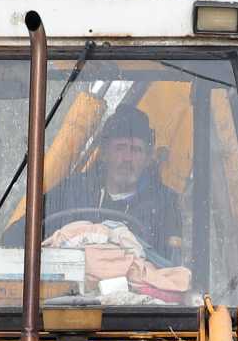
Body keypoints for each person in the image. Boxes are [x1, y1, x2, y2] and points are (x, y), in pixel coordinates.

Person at [44, 104, 182, 258]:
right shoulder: (70, 192)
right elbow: (24, 233)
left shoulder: (166, 205)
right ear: (104, 153)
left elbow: (169, 264)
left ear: (148, 159)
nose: (127, 158)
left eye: (136, 150)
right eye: (120, 148)